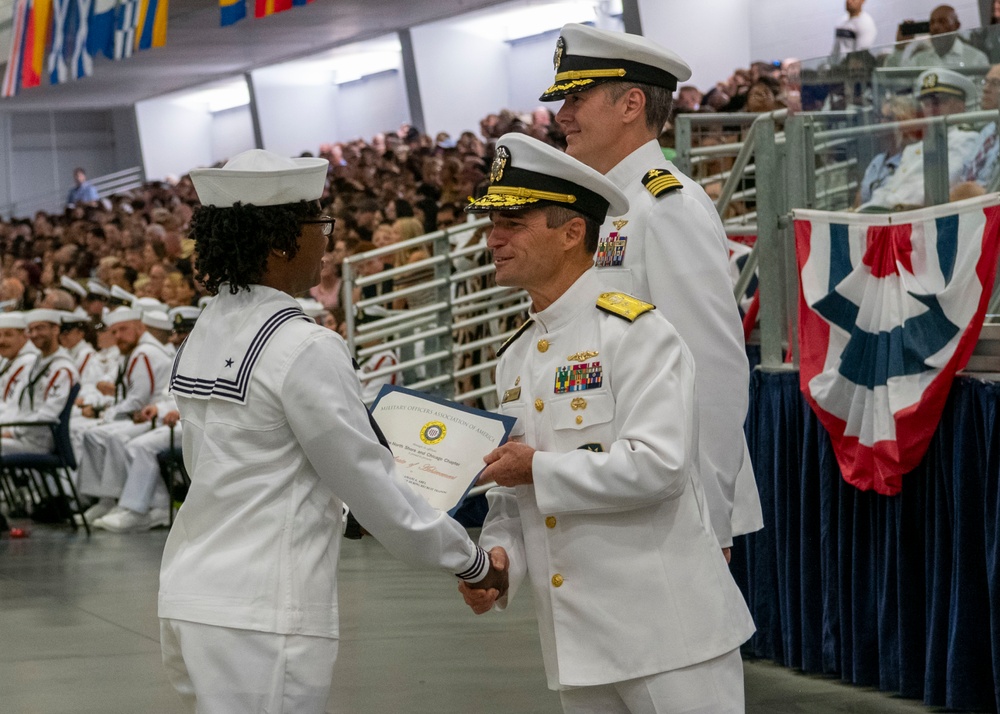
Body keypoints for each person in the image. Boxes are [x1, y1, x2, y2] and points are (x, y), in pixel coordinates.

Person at [158, 149, 505, 713]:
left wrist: (343, 517)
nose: (327, 240)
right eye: (318, 223)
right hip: (264, 608)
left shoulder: (205, 329)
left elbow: (245, 466)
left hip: (193, 593)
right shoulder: (303, 344)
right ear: (278, 241)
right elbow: (373, 485)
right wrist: (470, 559)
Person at [459, 133, 755, 713]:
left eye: (513, 221)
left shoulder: (637, 333)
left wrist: (536, 470)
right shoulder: (515, 357)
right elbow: (512, 490)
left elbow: (661, 467)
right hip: (579, 641)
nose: (494, 237)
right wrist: (499, 560)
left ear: (572, 232)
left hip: (667, 634)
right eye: (491, 221)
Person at [541, 23, 762, 554]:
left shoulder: (668, 207)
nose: (562, 115)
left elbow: (713, 368)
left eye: (576, 96)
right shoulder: (616, 208)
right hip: (618, 487)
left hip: (672, 507)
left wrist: (711, 512)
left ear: (631, 103)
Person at [861, 68, 981, 210]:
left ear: (959, 107)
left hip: (916, 216)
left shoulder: (967, 140)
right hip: (892, 216)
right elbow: (892, 187)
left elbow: (939, 188)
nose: (930, 110)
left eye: (937, 103)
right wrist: (868, 208)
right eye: (926, 104)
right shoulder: (914, 148)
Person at [905, 5, 990, 68]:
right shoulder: (919, 59)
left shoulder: (976, 58)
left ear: (956, 25)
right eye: (932, 23)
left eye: (942, 22)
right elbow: (899, 85)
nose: (935, 27)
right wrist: (900, 48)